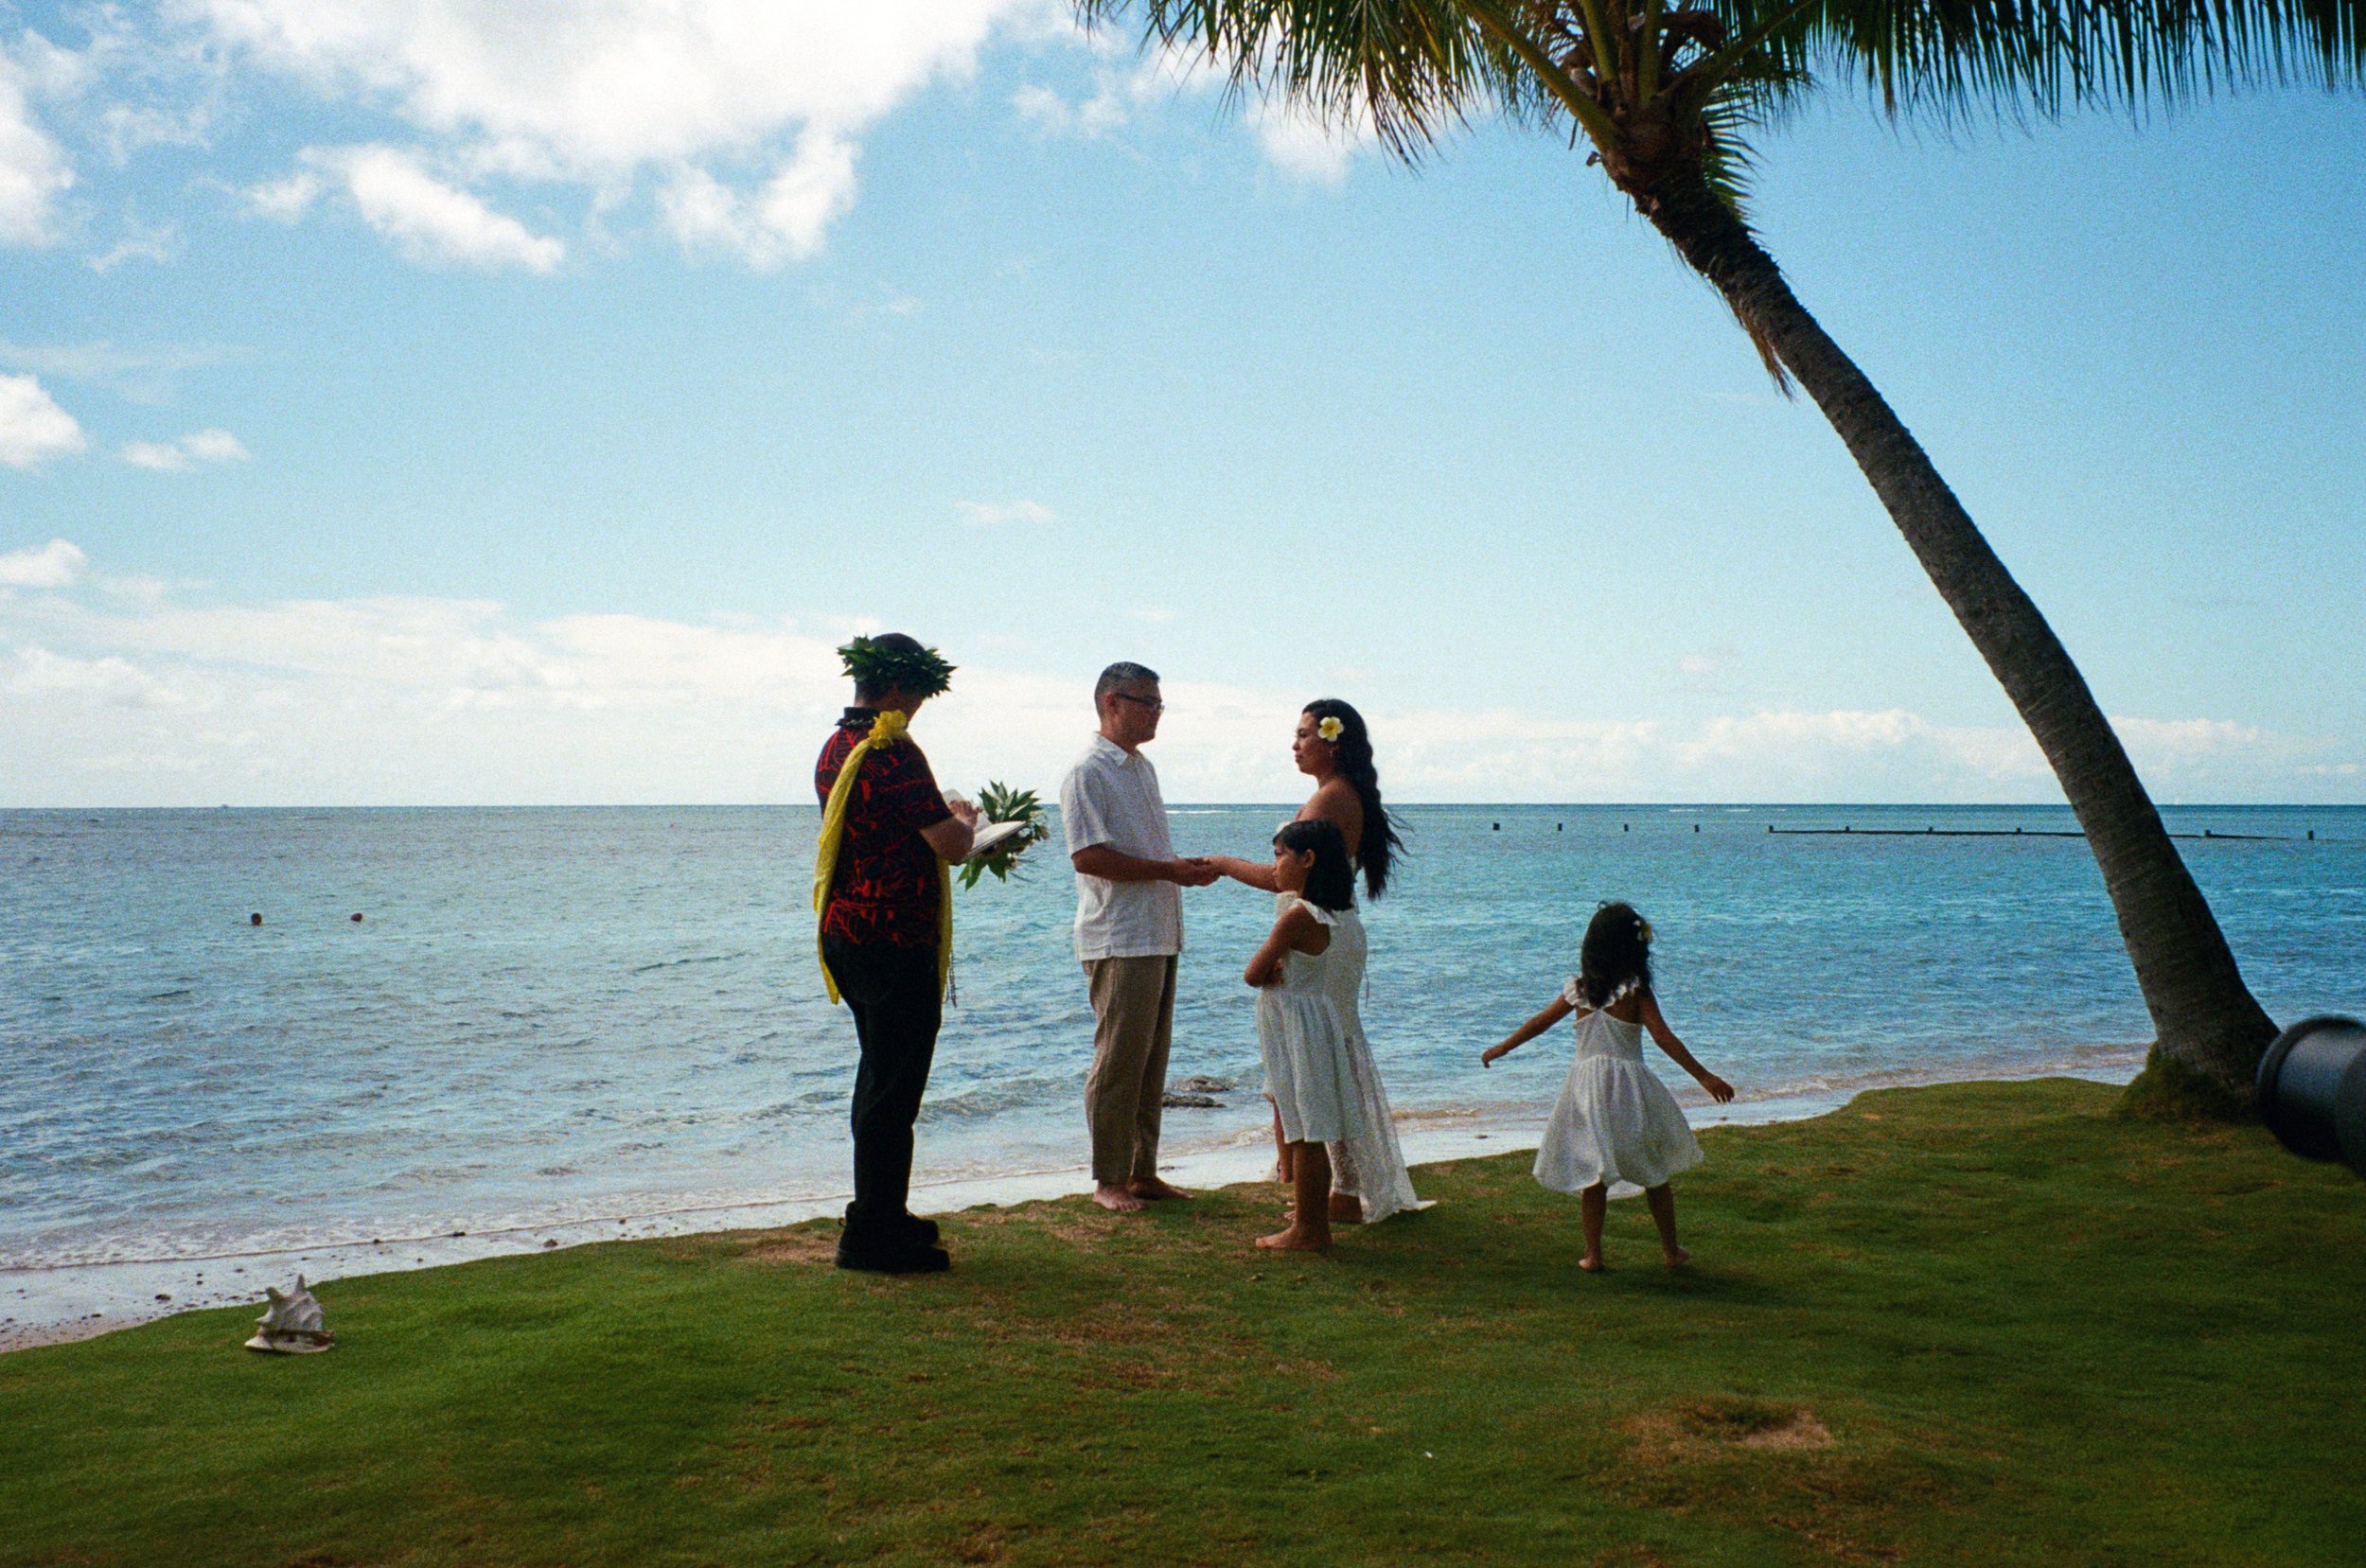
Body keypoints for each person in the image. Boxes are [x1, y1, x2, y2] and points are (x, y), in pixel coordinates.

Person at [1201, 699, 1422, 1225]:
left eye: (1303, 734)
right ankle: (1327, 1185)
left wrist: (1221, 864)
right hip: (1323, 932)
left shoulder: (1330, 798)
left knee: (1313, 1057)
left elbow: (1284, 878)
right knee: (1330, 1052)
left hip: (1314, 935)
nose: (1294, 744)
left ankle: (1327, 1186)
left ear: (1331, 741)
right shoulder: (1336, 794)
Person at [814, 634, 979, 1274]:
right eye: (915, 692)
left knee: (878, 1076)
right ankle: (871, 1235)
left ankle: (879, 1210)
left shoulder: (836, 745)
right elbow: (951, 844)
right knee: (893, 1089)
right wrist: (964, 819)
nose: (917, 706)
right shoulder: (892, 751)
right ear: (891, 687)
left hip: (847, 931)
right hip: (893, 940)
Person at [1480, 901, 1735, 1271]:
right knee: (1654, 1171)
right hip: (1629, 1088)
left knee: (1593, 1175)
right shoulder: (1635, 990)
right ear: (1634, 947)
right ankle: (1669, 1250)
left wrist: (1503, 1047)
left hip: (1585, 1090)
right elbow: (1663, 1037)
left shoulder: (1581, 991)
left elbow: (1539, 1023)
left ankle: (1593, 1254)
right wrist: (1704, 1076)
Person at [1061, 661, 1218, 1213]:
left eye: (1159, 703)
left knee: (1151, 1062)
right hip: (1119, 935)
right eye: (1147, 702)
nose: (1156, 712)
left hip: (1158, 930)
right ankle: (1109, 1178)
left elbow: (1145, 852)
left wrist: (1175, 869)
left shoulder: (1141, 767)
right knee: (1118, 1061)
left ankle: (1142, 1171)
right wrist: (1168, 870)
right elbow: (1089, 856)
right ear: (1112, 702)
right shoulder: (1088, 771)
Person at [1245, 820, 1365, 1252]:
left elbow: (1252, 973)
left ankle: (1310, 1230)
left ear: (1307, 860)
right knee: (1307, 1124)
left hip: (1298, 1027)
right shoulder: (1331, 913)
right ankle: (1311, 1220)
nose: (1274, 866)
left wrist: (1268, 967)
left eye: (1281, 855)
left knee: (1304, 1128)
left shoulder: (1297, 915)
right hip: (1312, 1021)